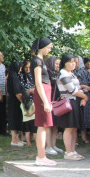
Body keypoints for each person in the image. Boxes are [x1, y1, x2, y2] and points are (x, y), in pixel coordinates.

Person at [57, 54, 88, 160]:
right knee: (69, 127)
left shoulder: (72, 74)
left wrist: (83, 97)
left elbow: (78, 88)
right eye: (70, 62)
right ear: (65, 63)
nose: (73, 64)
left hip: (75, 101)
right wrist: (84, 97)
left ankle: (73, 150)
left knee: (74, 127)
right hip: (68, 101)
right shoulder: (63, 73)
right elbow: (72, 89)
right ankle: (68, 152)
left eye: (74, 62)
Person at [31, 37, 57, 166]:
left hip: (45, 93)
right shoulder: (37, 61)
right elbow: (38, 82)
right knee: (42, 125)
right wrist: (46, 101)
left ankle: (42, 155)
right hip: (42, 94)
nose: (50, 49)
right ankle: (40, 156)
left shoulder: (41, 60)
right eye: (48, 47)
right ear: (42, 47)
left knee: (45, 126)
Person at [74, 56, 90, 145]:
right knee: (76, 117)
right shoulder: (71, 73)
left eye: (77, 62)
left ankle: (84, 137)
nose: (75, 64)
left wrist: (87, 88)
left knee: (85, 117)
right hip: (75, 96)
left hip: (86, 96)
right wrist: (81, 86)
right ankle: (75, 139)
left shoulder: (86, 73)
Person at [6, 62, 26, 147]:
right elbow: (17, 92)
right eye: (20, 67)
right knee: (14, 120)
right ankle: (14, 140)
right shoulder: (13, 77)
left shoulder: (13, 76)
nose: (21, 69)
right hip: (14, 101)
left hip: (14, 101)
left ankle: (17, 139)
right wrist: (23, 102)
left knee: (17, 119)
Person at [19, 61, 37, 146]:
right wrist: (28, 91)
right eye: (26, 67)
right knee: (26, 124)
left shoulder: (33, 75)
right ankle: (25, 137)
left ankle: (33, 138)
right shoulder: (21, 76)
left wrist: (34, 90)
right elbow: (21, 88)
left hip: (34, 97)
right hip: (25, 98)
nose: (27, 69)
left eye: (29, 67)